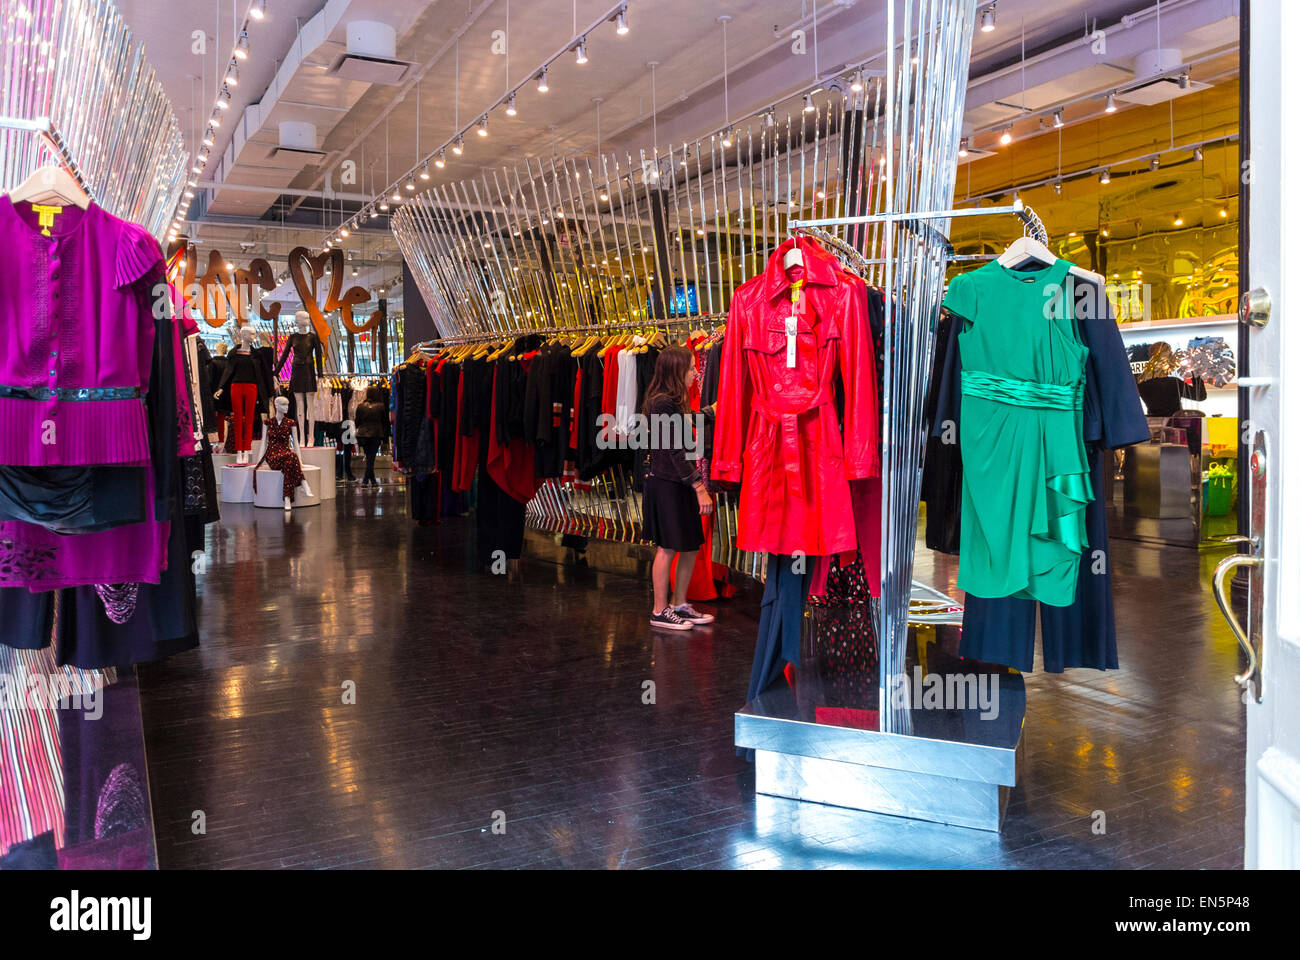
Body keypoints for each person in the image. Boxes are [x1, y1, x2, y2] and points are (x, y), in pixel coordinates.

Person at [641, 346, 716, 631]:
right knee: (668, 547)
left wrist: (708, 412)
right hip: (668, 484)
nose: (696, 372)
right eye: (691, 367)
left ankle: (679, 604)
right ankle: (660, 610)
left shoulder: (669, 402)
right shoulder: (661, 403)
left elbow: (682, 425)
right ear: (677, 370)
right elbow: (673, 451)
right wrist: (699, 486)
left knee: (688, 545)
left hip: (676, 483)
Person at [353, 386, 388, 487]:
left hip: (363, 435)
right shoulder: (381, 406)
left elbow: (357, 422)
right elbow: (384, 422)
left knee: (369, 457)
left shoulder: (360, 406)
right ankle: (366, 480)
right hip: (376, 434)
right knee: (371, 457)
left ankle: (371, 480)